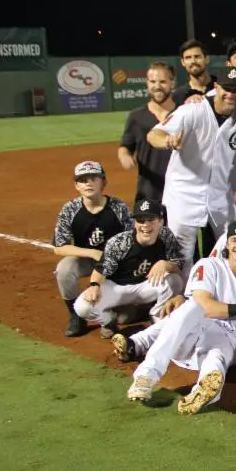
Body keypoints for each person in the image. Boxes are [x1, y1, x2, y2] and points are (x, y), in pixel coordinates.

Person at [124, 221, 236, 415]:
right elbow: (206, 307)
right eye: (235, 240)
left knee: (216, 357)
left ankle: (205, 392)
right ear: (227, 244)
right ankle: (147, 375)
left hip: (225, 341)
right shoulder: (209, 265)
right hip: (189, 338)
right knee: (193, 306)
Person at [147, 67, 236, 272]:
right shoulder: (192, 110)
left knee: (232, 245)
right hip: (184, 194)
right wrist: (167, 141)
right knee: (181, 254)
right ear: (217, 87)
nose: (230, 94)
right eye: (226, 88)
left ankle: (223, 294)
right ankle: (183, 299)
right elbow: (154, 134)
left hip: (221, 194)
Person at [73, 198, 184, 341]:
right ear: (134, 223)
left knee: (175, 281)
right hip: (116, 288)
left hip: (146, 286)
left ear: (161, 221)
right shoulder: (120, 242)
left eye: (151, 220)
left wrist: (165, 264)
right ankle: (109, 321)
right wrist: (94, 286)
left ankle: (157, 315)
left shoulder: (166, 236)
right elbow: (101, 269)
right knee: (82, 307)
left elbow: (179, 265)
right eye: (141, 220)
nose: (145, 225)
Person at [53, 160, 132, 336]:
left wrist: (112, 257)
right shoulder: (70, 209)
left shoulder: (118, 208)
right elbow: (59, 247)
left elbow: (133, 240)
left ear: (103, 182)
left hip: (117, 263)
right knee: (64, 269)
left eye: (93, 178)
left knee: (126, 318)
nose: (88, 183)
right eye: (83, 180)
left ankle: (113, 313)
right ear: (76, 186)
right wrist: (92, 252)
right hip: (87, 259)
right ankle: (76, 315)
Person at [117, 61, 175, 203]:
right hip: (148, 190)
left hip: (179, 191)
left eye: (162, 81)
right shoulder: (136, 116)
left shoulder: (184, 113)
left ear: (172, 83)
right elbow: (126, 146)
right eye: (152, 81)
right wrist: (124, 156)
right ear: (147, 84)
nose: (157, 86)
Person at [173, 39, 212, 104]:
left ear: (207, 59)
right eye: (188, 58)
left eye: (197, 57)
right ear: (183, 62)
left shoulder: (221, 86)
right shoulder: (178, 96)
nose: (193, 61)